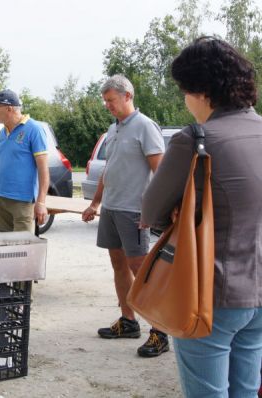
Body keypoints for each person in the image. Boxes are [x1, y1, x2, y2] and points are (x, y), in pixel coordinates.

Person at [142, 37, 262, 397]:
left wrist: (181, 212)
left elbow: (150, 211)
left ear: (202, 91)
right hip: (258, 293)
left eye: (184, 90)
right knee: (244, 391)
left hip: (211, 294)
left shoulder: (196, 140)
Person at [81, 75, 167, 357]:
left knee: (140, 268)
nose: (108, 106)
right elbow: (110, 170)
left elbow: (161, 172)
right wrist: (95, 203)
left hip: (135, 211)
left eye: (112, 101)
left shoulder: (145, 127)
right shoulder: (113, 129)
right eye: (105, 101)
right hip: (112, 208)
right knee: (118, 263)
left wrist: (152, 210)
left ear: (128, 96)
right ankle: (129, 321)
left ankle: (160, 330)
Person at [0, 89, 50, 232]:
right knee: (5, 250)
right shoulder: (1, 133)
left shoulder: (34, 130)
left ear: (9, 108)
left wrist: (41, 201)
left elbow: (43, 169)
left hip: (23, 203)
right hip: (2, 201)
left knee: (23, 250)